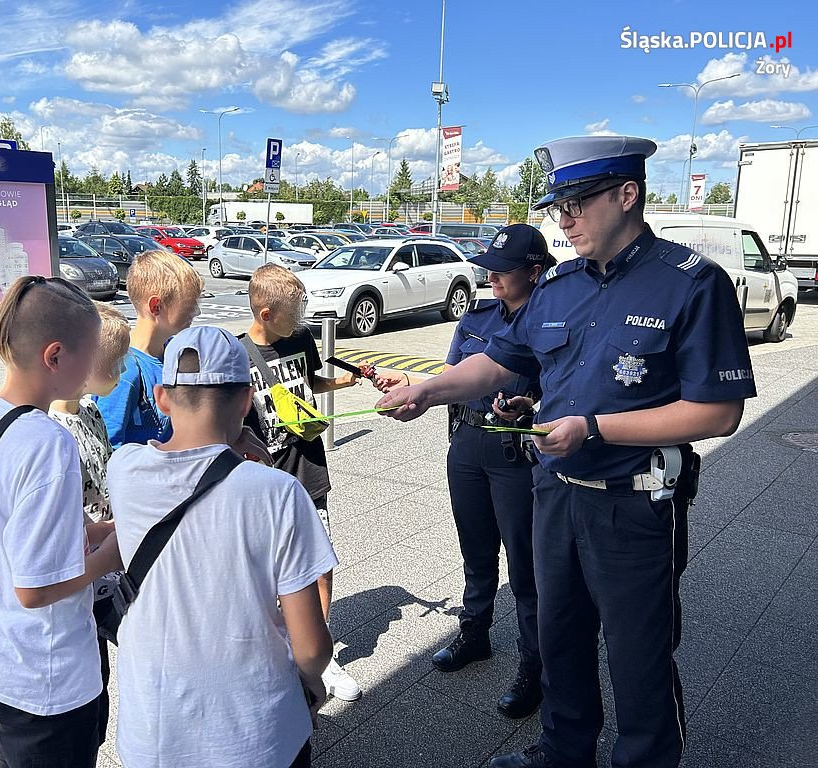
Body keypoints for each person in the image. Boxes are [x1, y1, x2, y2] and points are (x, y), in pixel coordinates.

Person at [377, 136, 757, 768]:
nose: (564, 219)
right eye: (559, 205)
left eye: (577, 202)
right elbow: (501, 362)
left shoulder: (691, 285)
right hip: (554, 495)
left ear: (627, 195)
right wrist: (428, 389)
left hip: (634, 505)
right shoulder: (557, 286)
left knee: (639, 655)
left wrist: (594, 427)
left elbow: (718, 412)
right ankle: (563, 752)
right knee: (561, 641)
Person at [107, 325, 336, 768]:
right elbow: (311, 649)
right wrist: (312, 684)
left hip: (154, 736)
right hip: (258, 737)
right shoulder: (278, 493)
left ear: (161, 398)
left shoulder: (124, 471)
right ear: (248, 399)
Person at [0, 276, 123, 768]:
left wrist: (94, 532)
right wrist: (111, 553)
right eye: (88, 356)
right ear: (55, 356)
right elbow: (35, 588)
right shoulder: (48, 443)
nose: (92, 371)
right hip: (46, 681)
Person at [433, 225, 552, 720]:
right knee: (476, 550)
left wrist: (534, 404)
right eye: (490, 267)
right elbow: (452, 376)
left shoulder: (551, 323)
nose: (492, 276)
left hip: (515, 453)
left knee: (525, 567)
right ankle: (475, 632)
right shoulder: (478, 317)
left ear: (535, 271)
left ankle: (533, 665)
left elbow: (566, 386)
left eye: (503, 269)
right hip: (468, 445)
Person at [240, 264, 368, 703]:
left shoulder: (300, 339)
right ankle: (275, 652)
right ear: (266, 312)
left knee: (320, 563)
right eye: (296, 310)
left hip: (309, 468)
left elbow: (311, 379)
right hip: (265, 481)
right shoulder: (238, 354)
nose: (304, 317)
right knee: (268, 574)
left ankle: (321, 651)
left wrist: (345, 380)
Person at [48, 300, 132, 749]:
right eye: (114, 362)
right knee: (91, 686)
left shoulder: (92, 411)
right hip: (86, 572)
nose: (121, 371)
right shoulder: (53, 429)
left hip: (109, 563)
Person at [96, 249, 203, 448]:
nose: (197, 311)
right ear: (156, 306)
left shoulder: (174, 352)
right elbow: (110, 448)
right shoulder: (124, 372)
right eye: (189, 304)